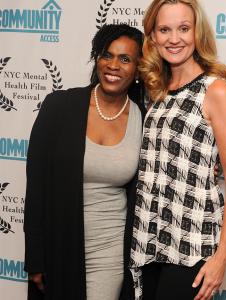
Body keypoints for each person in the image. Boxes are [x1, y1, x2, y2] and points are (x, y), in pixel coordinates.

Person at [129, 1, 226, 300]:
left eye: (184, 28)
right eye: (164, 29)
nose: (174, 38)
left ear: (197, 33)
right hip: (148, 242)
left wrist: (221, 258)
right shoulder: (156, 90)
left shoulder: (216, 90)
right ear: (152, 36)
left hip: (191, 245)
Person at [24, 24, 146, 300]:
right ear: (97, 59)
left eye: (125, 59)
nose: (113, 65)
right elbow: (36, 189)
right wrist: (35, 258)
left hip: (110, 251)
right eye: (107, 55)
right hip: (59, 246)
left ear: (138, 69)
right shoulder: (59, 106)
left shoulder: (145, 119)